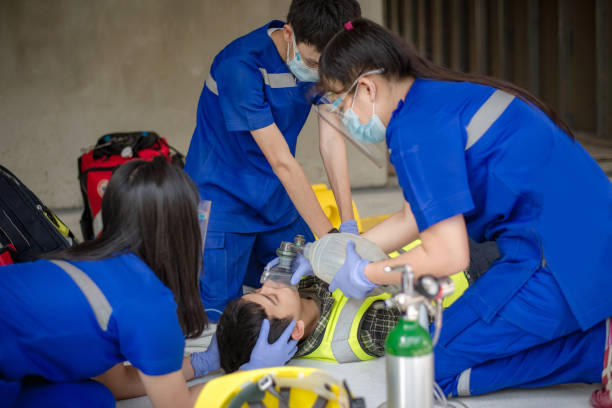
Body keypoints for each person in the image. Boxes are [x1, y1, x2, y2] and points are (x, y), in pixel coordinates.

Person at [307, 18, 612, 399]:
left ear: (366, 88)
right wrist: (338, 251)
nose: (343, 117)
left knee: (426, 366)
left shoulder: (414, 131)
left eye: (339, 103)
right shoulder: (434, 97)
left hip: (561, 262)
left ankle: (596, 351)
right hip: (586, 240)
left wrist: (367, 272)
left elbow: (449, 255)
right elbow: (413, 217)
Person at [0, 158, 297, 408]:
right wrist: (250, 376)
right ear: (181, 231)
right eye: (198, 217)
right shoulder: (151, 305)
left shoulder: (92, 257)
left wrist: (202, 363)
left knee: (95, 398)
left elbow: (115, 384)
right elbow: (175, 406)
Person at [184, 0, 362, 321]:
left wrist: (348, 228)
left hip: (277, 197)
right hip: (221, 201)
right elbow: (281, 161)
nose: (319, 72)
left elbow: (332, 141)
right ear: (288, 33)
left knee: (315, 288)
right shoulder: (239, 65)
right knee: (214, 315)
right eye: (312, 62)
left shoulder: (323, 58)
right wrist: (330, 238)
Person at [215, 244, 498, 373]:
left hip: (435, 245)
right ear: (296, 329)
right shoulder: (362, 330)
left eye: (260, 291)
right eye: (271, 298)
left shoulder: (299, 292)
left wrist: (309, 255)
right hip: (465, 271)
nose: (270, 285)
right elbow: (420, 308)